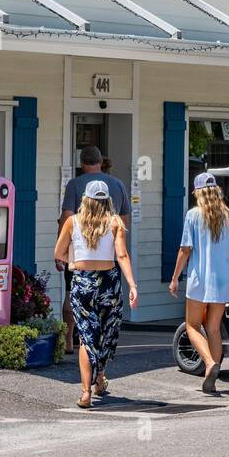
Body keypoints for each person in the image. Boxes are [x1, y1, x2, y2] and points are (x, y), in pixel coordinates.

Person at [53, 181, 137, 409]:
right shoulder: (115, 222)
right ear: (108, 201)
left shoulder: (72, 222)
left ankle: (86, 392)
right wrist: (132, 285)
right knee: (105, 334)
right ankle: (99, 377)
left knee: (87, 338)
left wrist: (72, 259)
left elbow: (58, 253)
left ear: (85, 200)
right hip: (109, 283)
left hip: (83, 283)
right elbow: (122, 255)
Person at [169, 173, 229, 396]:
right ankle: (210, 378)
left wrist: (175, 278)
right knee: (213, 328)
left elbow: (185, 250)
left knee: (192, 326)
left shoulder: (193, 215)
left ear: (198, 193)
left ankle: (210, 363)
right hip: (225, 280)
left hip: (199, 279)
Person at [57, 146, 132, 353]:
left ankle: (69, 340)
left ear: (82, 163)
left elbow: (66, 218)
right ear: (100, 161)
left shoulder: (74, 184)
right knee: (105, 298)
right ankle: (97, 341)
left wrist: (62, 250)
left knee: (71, 293)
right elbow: (125, 220)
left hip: (79, 254)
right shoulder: (117, 184)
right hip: (109, 255)